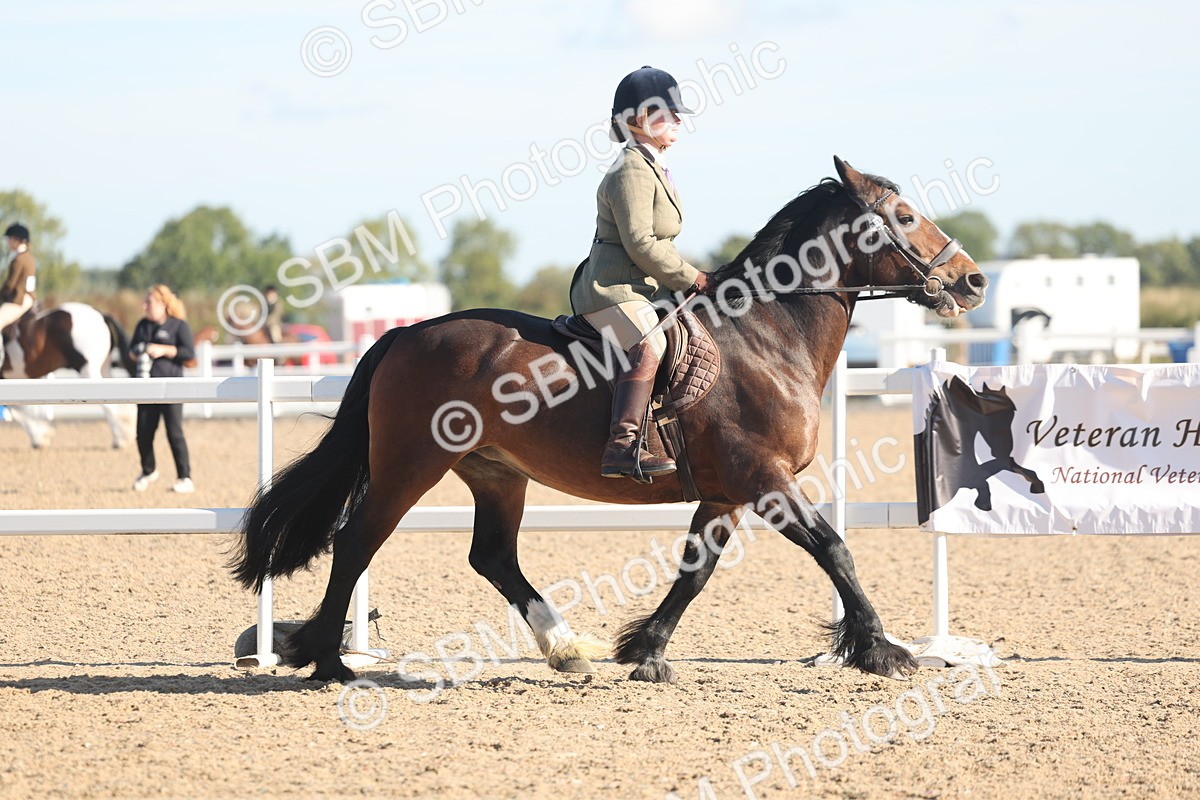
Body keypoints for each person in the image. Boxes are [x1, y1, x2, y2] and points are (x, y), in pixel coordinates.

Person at [569, 66, 715, 481]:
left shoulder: (654, 166)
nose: (678, 120)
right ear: (638, 119)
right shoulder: (631, 169)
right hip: (611, 291)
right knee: (649, 340)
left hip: (639, 289)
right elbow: (640, 243)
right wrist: (693, 278)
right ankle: (623, 444)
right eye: (668, 112)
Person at [129, 285, 196, 493]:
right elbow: (131, 351)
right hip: (146, 387)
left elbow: (189, 353)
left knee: (174, 432)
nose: (144, 306)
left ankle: (184, 477)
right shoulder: (142, 325)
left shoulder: (179, 325)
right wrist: (139, 351)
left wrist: (164, 350)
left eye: (149, 302)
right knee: (143, 433)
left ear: (163, 304)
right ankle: (148, 470)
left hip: (172, 387)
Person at [0, 223, 36, 331]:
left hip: (19, 299)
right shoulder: (30, 257)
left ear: (17, 240)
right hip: (31, 297)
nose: (8, 242)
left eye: (10, 239)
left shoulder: (18, 259)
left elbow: (10, 284)